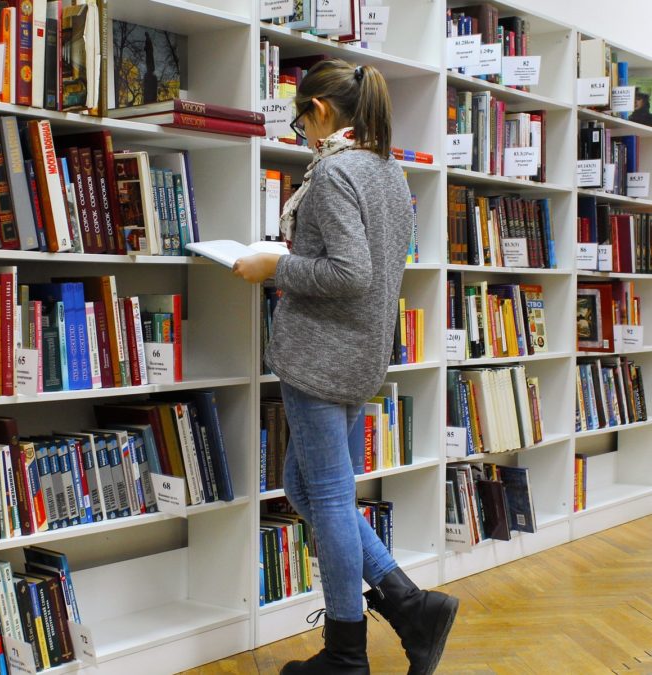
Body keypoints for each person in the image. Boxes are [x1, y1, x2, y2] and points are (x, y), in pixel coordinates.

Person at [233, 59, 459, 674]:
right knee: (308, 489)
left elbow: (349, 274)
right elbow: (374, 268)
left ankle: (345, 655)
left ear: (323, 112)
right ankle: (410, 605)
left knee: (327, 497)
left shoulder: (333, 174)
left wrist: (273, 267)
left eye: (299, 117)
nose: (299, 131)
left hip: (321, 355)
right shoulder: (388, 171)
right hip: (360, 353)